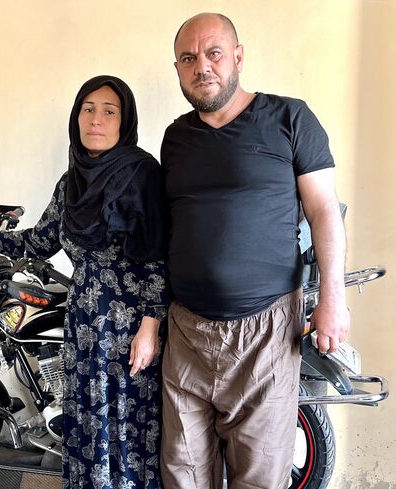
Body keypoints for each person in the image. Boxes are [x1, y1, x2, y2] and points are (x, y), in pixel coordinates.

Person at [159, 13, 350, 489]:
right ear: (178, 69)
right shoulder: (175, 138)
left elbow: (324, 210)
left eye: (213, 53)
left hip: (265, 333)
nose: (202, 67)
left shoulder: (290, 118)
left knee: (259, 477)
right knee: (182, 476)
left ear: (238, 57)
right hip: (185, 331)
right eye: (188, 58)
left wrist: (333, 298)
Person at [0, 75, 168, 489]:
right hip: (84, 319)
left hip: (129, 327)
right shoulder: (71, 183)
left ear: (125, 121)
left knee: (127, 427)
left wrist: (151, 327)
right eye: (88, 109)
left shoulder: (142, 175)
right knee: (87, 423)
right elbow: (42, 239)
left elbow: (158, 256)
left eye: (109, 111)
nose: (96, 120)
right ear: (76, 117)